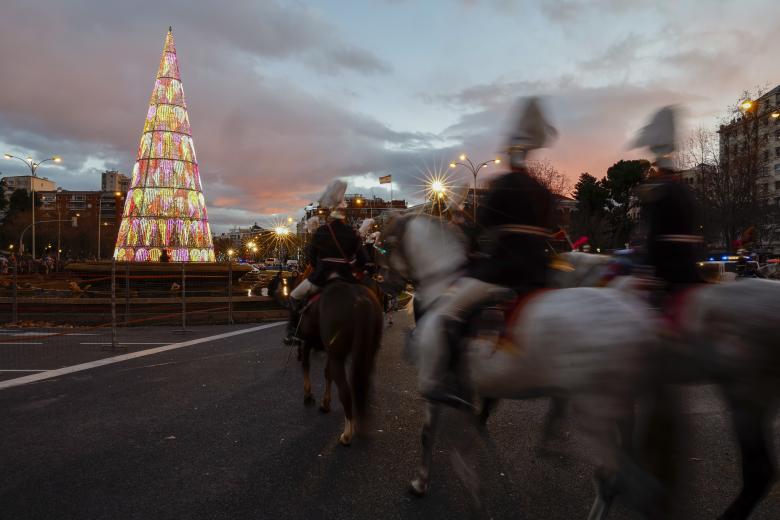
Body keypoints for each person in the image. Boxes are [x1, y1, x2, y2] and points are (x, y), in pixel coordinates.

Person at [415, 97, 557, 406]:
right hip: (539, 274)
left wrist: (465, 236)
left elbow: (480, 232)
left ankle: (446, 379)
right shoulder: (544, 191)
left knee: (444, 315)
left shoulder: (502, 185)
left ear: (510, 155)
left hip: (501, 271)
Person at [631, 107, 705, 314]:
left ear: (657, 166)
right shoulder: (686, 191)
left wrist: (645, 270)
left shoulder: (656, 191)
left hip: (666, 273)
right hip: (691, 272)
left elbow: (652, 235)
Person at [284, 180, 368, 344]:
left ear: (330, 213)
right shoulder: (353, 233)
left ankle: (293, 332)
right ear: (344, 214)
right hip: (346, 279)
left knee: (294, 296)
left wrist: (319, 266)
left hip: (322, 277)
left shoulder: (321, 232)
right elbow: (363, 260)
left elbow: (312, 257)